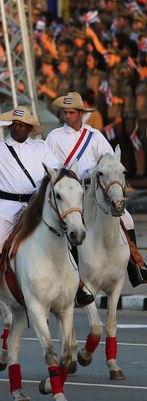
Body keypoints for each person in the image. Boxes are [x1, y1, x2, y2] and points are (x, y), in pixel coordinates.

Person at [0, 106, 76, 315]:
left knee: (68, 232)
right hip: (8, 205)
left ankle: (78, 284)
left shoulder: (41, 148)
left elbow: (56, 171)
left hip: (35, 205)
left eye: (22, 125)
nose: (17, 128)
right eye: (14, 124)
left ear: (30, 128)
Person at [46, 92, 147, 286]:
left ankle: (135, 267)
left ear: (81, 114)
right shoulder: (54, 136)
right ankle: (72, 277)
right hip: (72, 192)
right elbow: (51, 165)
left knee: (127, 218)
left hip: (95, 189)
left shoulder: (94, 135)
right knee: (71, 226)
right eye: (65, 112)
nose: (67, 116)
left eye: (71, 112)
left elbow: (110, 161)